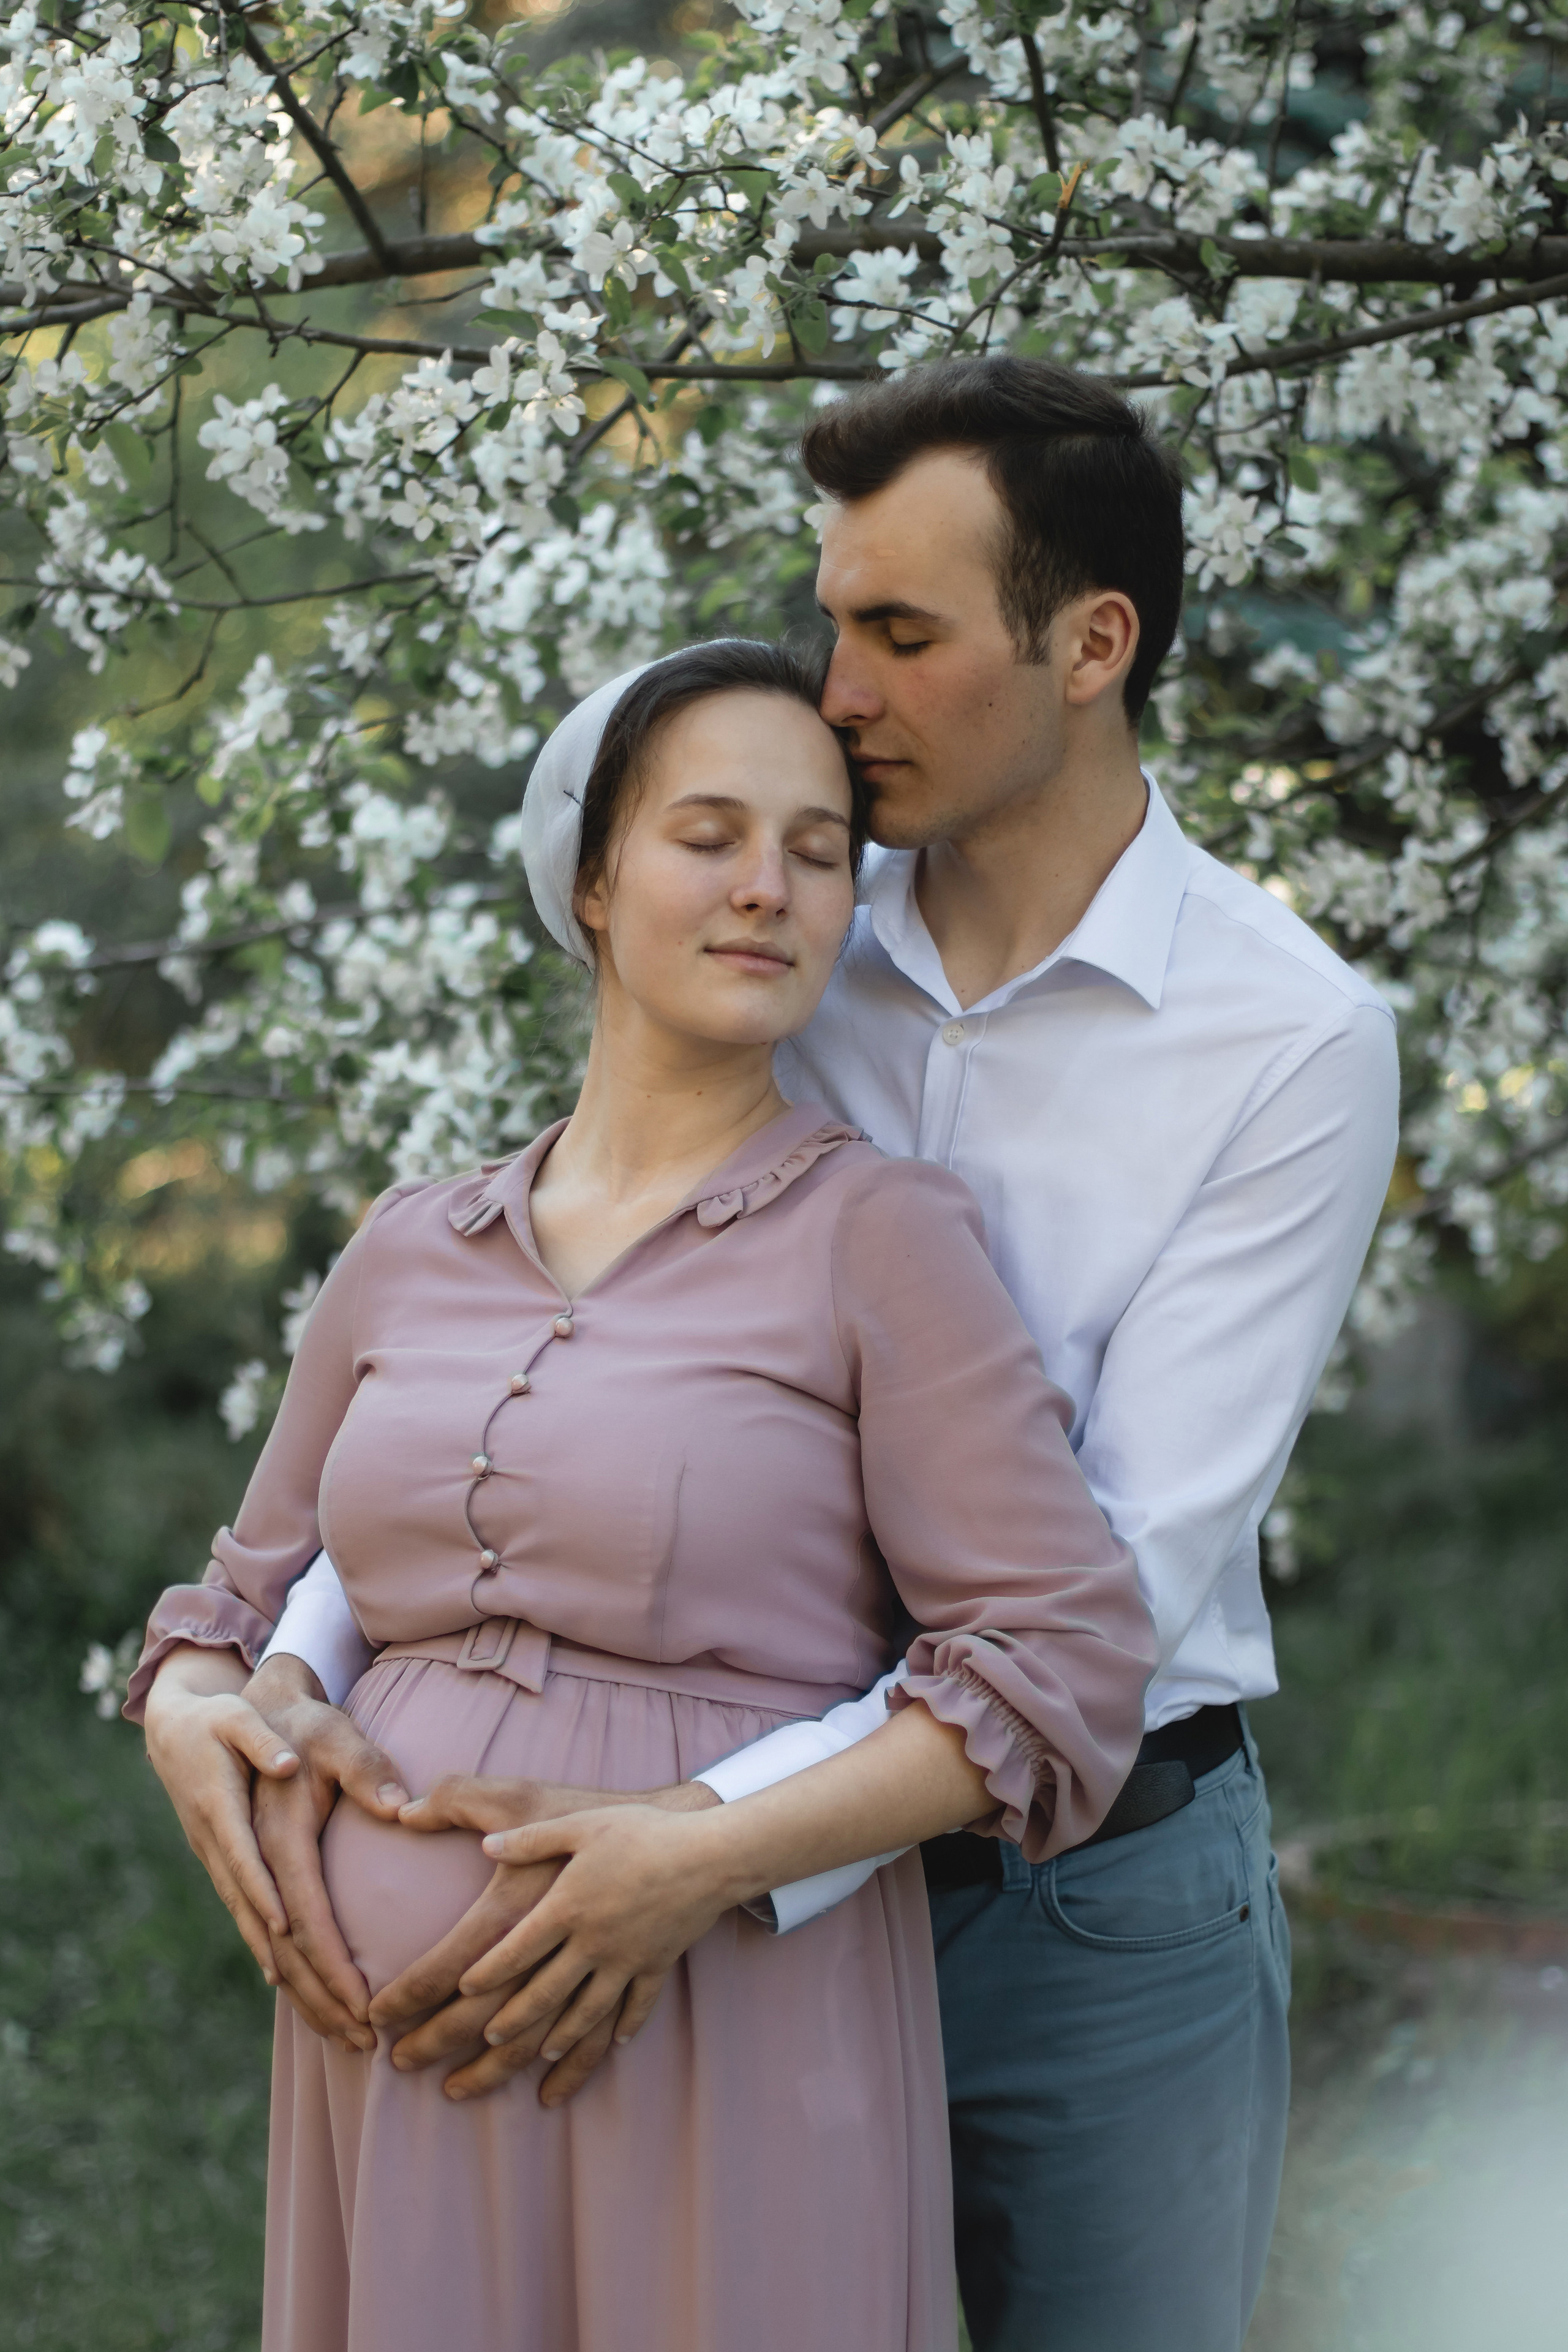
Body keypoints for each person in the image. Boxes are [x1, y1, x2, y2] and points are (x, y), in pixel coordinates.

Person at [151, 356, 1401, 2350]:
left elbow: (1117, 1590)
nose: (841, 688)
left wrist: (709, 1843)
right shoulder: (783, 909)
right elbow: (538, 1364)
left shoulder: (1288, 1042)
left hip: (1088, 1893)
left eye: (901, 634)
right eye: (835, 619)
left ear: (1093, 645)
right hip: (673, 1888)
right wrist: (254, 1675)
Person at [129, 638, 1156, 2352]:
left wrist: (699, 1863)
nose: (769, 888)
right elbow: (232, 1612)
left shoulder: (878, 1238)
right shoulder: (407, 1247)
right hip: (388, 2065)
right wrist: (189, 1718)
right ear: (592, 879)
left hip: (727, 2020)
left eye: (820, 851)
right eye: (709, 834)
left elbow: (1059, 1663)